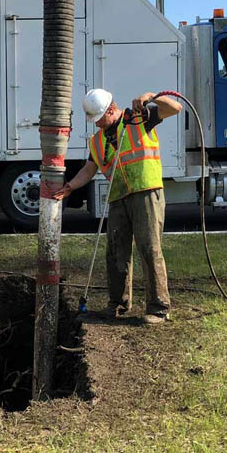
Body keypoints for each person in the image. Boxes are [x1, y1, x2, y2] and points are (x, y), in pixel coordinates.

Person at [54, 88, 182, 324]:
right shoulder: (98, 140)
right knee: (115, 252)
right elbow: (89, 169)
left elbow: (175, 108)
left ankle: (158, 308)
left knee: (149, 248)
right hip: (117, 196)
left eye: (99, 118)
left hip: (146, 190)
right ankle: (118, 303)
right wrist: (71, 186)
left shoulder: (138, 118)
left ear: (112, 109)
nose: (97, 124)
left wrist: (151, 96)